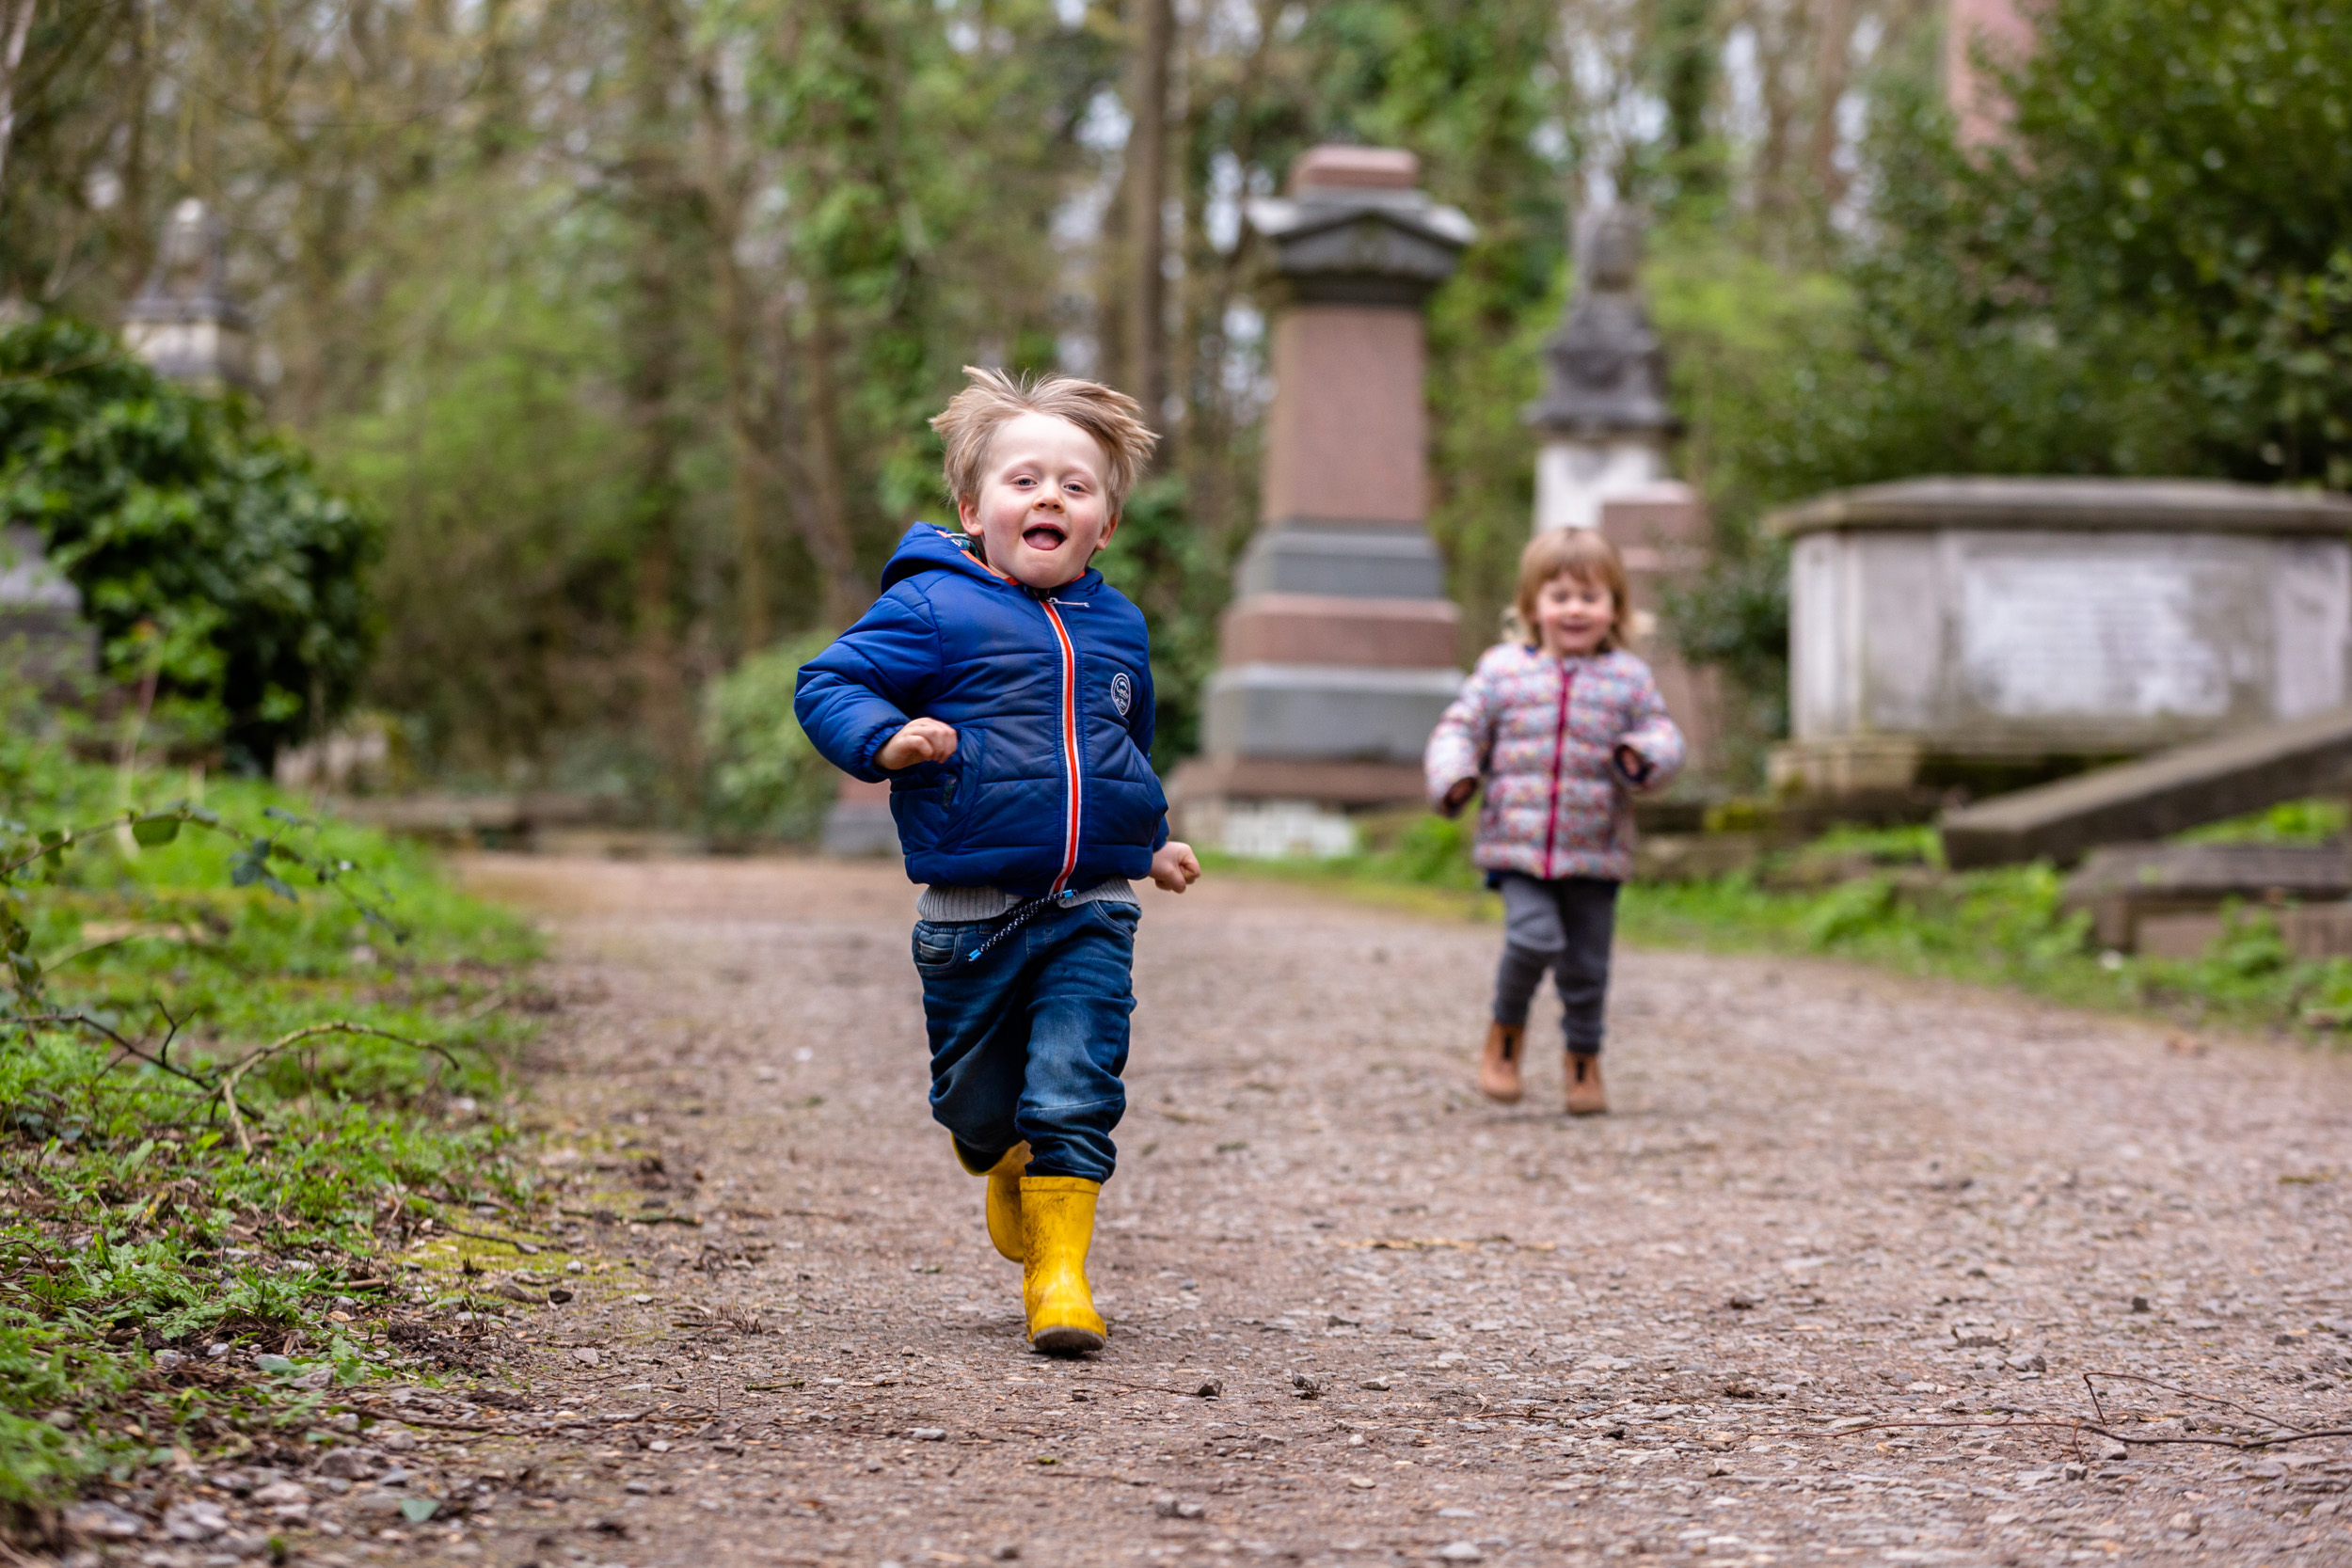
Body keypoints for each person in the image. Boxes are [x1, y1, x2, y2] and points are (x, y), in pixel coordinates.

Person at [794, 367, 1201, 1355]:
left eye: (1076, 484)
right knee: (976, 1105)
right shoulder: (932, 606)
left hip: (1091, 904)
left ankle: (1060, 1275)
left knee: (1076, 1082)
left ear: (1104, 523)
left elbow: (1121, 747)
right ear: (975, 508)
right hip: (970, 913)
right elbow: (828, 680)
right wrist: (887, 740)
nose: (1050, 497)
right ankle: (996, 1149)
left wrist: (1151, 839)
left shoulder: (1121, 626)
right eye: (1025, 481)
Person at [1422, 528, 1683, 1116]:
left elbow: (1664, 734)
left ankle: (1583, 1063)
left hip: (1596, 850)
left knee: (1587, 967)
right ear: (1531, 606)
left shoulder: (1629, 678)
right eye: (1560, 595)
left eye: (1590, 597)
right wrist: (1456, 774)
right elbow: (1458, 728)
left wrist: (1645, 755)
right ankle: (1506, 1035)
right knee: (1533, 938)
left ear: (1615, 607)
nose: (1574, 609)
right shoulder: (1502, 671)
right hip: (1518, 848)